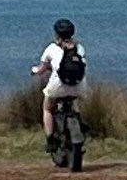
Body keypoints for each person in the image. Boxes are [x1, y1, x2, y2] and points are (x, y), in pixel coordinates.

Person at [33, 17, 88, 169]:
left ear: (56, 33)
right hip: (79, 86)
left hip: (58, 86)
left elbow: (42, 68)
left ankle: (51, 139)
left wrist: (35, 71)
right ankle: (78, 120)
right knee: (75, 101)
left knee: (47, 108)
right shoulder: (79, 48)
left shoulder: (51, 48)